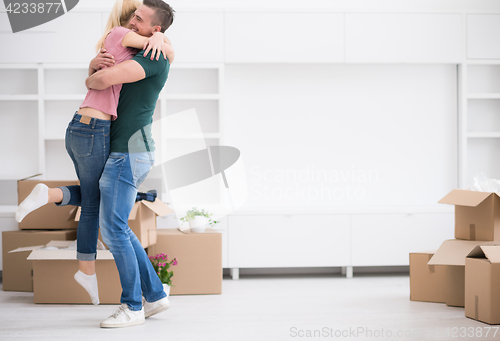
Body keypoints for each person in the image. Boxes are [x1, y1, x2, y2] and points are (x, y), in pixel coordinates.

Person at [15, 0, 174, 307]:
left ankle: (134, 302)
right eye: (132, 17)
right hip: (108, 140)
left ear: (155, 29)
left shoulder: (153, 56)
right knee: (107, 216)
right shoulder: (128, 44)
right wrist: (154, 38)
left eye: (139, 19)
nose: (132, 22)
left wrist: (92, 74)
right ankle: (151, 296)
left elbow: (100, 80)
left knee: (111, 224)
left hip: (127, 150)